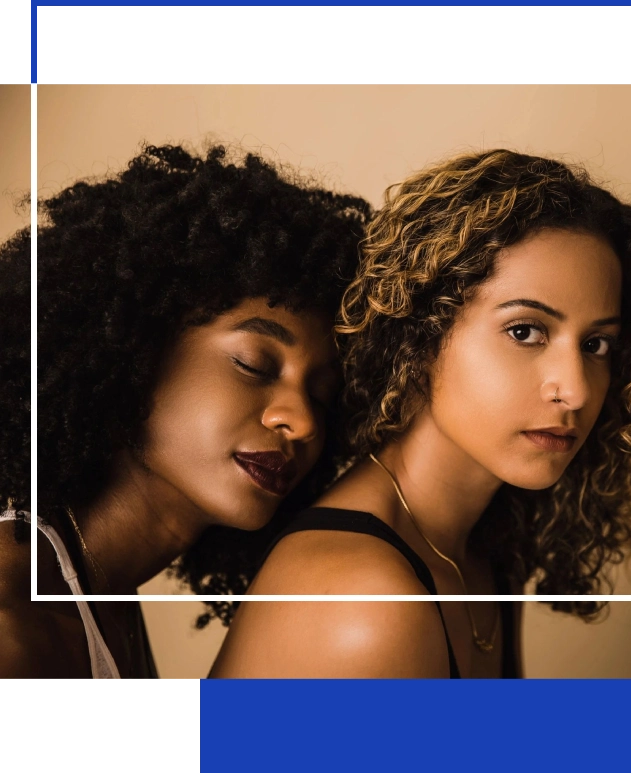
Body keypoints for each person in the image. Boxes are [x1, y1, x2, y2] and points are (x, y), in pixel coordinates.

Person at [212, 149, 631, 679]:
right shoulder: (366, 599)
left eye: (596, 344)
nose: (577, 390)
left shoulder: (481, 550)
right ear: (421, 334)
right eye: (525, 331)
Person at [0, 144, 371, 679]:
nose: (304, 421)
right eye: (254, 364)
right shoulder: (17, 626)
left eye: (323, 395)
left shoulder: (102, 593)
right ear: (134, 347)